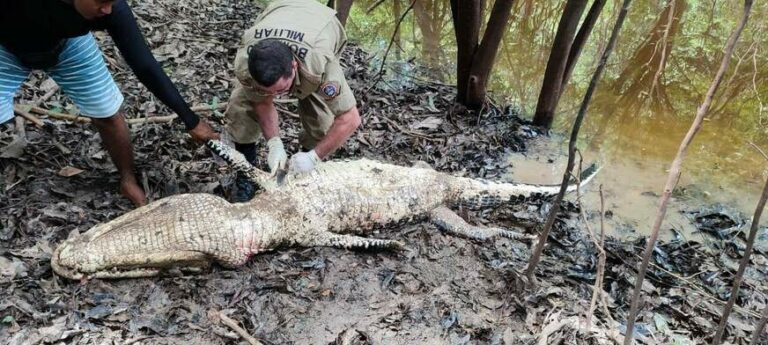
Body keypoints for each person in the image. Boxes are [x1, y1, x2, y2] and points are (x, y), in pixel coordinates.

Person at [0, 0, 220, 207]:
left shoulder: (112, 9)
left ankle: (128, 179)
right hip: (8, 48)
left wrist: (191, 120)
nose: (106, 9)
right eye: (101, 1)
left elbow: (144, 65)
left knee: (107, 112)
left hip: (66, 44)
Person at [226, 0, 361, 202]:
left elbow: (350, 119)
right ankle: (246, 175)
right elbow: (262, 102)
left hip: (321, 24)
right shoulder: (246, 63)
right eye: (269, 91)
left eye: (282, 89)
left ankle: (303, 172)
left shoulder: (318, 64)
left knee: (320, 120)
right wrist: (274, 143)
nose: (278, 96)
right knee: (241, 109)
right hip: (280, 10)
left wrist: (314, 156)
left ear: (294, 66)